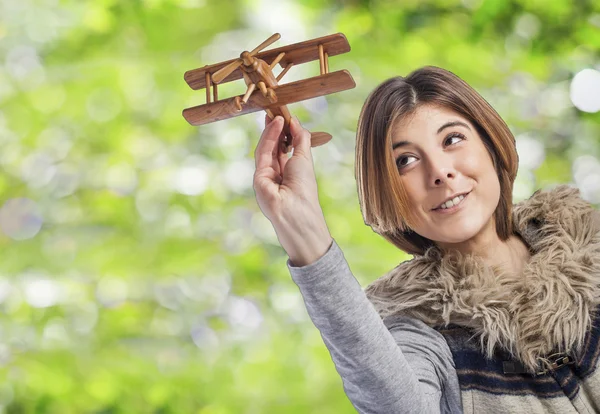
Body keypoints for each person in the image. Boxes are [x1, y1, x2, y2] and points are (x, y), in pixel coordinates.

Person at [252, 66, 600, 413]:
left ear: (491, 146)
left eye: (452, 139)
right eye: (406, 161)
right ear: (386, 193)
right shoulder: (420, 327)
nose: (439, 172)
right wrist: (306, 234)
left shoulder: (591, 243)